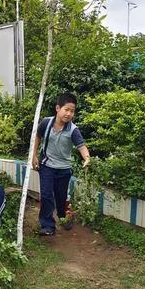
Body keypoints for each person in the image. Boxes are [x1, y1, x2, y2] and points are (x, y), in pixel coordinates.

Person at [32, 93, 91, 236]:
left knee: (61, 197)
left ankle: (64, 217)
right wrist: (33, 155)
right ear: (58, 108)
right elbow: (37, 137)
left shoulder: (73, 130)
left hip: (64, 170)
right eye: (66, 109)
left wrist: (87, 158)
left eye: (72, 111)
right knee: (46, 195)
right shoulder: (46, 123)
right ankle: (47, 226)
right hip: (46, 166)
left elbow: (81, 146)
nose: (69, 113)